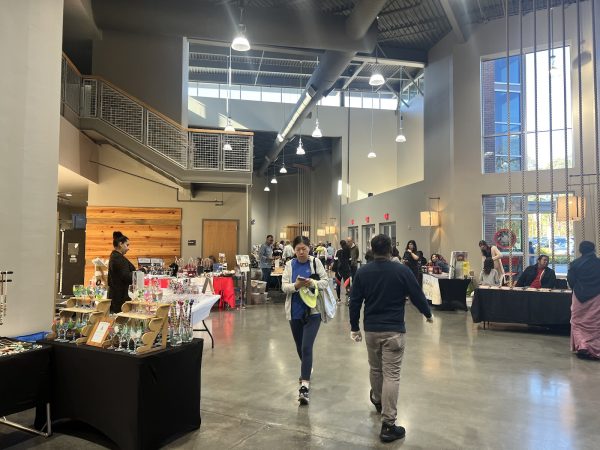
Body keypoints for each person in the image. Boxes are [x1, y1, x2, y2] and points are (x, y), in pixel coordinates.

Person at [349, 234, 433, 443]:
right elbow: (417, 294)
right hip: (394, 331)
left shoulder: (363, 272)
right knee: (392, 375)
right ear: (390, 250)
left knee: (375, 369)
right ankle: (388, 424)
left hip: (371, 330)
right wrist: (428, 314)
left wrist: (354, 327)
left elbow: (355, 301)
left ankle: (378, 400)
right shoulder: (401, 270)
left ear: (372, 249)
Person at [281, 236, 329, 404]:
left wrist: (312, 283)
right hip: (294, 312)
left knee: (307, 347)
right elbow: (284, 287)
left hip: (313, 312)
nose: (301, 252)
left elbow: (325, 282)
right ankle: (307, 368)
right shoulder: (289, 265)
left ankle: (304, 386)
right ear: (294, 250)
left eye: (304, 249)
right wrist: (297, 285)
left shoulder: (316, 262)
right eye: (298, 249)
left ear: (310, 248)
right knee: (299, 347)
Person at [568, 241, 600, 360]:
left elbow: (571, 281)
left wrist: (577, 289)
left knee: (577, 321)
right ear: (594, 249)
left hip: (579, 296)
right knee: (596, 322)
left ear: (580, 250)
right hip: (597, 296)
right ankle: (596, 348)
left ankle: (582, 345)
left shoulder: (575, 264)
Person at [108, 231, 135, 313]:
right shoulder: (117, 258)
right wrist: (142, 271)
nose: (128, 248)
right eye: (127, 245)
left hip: (119, 296)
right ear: (120, 244)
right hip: (119, 299)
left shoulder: (117, 257)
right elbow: (127, 277)